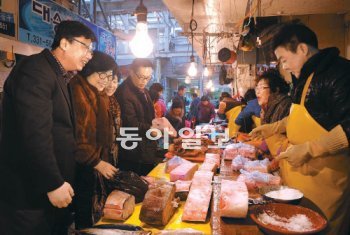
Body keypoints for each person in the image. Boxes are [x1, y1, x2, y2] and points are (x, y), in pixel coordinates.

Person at [251, 23, 350, 234]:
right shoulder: (302, 79)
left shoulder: (339, 74)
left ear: (303, 49)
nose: (284, 67)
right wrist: (273, 127)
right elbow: (302, 118)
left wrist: (308, 149)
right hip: (297, 184)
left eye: (284, 59)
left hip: (324, 187)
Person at [0, 20, 96, 234]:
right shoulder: (35, 70)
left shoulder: (58, 75)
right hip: (29, 195)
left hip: (48, 193)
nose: (89, 55)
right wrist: (53, 183)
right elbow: (34, 133)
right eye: (85, 47)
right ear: (64, 43)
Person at [70, 51, 118, 229]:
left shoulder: (98, 93)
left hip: (95, 163)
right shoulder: (78, 92)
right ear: (89, 69)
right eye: (102, 74)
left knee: (93, 211)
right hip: (82, 165)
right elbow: (78, 137)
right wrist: (97, 162)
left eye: (110, 76)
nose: (105, 80)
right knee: (84, 212)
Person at [115, 58, 161, 176]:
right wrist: (152, 129)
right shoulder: (124, 93)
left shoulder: (144, 91)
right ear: (131, 72)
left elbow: (148, 116)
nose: (144, 81)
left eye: (147, 78)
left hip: (145, 149)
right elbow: (130, 124)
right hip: (133, 153)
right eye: (140, 76)